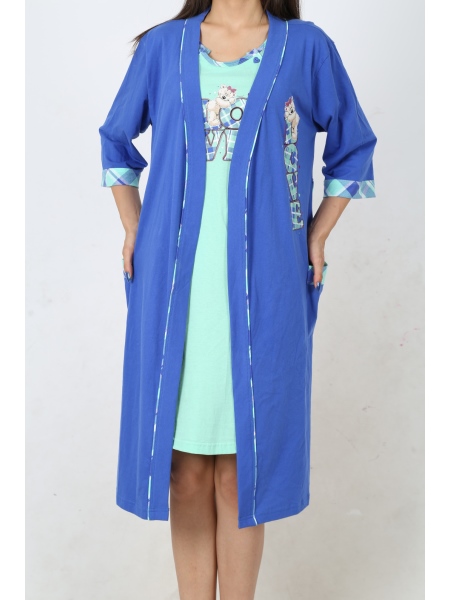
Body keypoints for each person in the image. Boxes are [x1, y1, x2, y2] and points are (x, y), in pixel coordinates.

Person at [99, 0, 377, 597]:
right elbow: (115, 141)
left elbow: (354, 146)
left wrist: (318, 234)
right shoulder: (163, 47)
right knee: (184, 473)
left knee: (240, 475)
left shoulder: (306, 47)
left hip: (268, 282)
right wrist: (134, 227)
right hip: (176, 282)